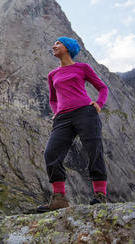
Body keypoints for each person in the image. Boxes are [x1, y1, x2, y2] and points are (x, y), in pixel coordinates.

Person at [36, 36, 108, 213]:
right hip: (63, 118)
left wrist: (98, 104)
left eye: (58, 43)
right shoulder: (52, 74)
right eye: (54, 43)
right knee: (51, 153)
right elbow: (53, 98)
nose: (54, 46)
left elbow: (103, 88)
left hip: (85, 112)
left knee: (94, 150)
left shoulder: (83, 68)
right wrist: (56, 112)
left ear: (67, 47)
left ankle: (100, 194)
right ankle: (59, 199)